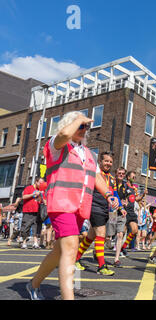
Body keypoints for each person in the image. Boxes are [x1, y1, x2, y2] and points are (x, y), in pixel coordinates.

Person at [27, 111, 118, 300]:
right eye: (81, 126)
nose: (84, 129)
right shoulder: (57, 144)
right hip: (60, 204)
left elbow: (96, 177)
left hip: (79, 207)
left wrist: (109, 194)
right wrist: (78, 119)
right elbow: (62, 135)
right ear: (71, 124)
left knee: (60, 250)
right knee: (71, 247)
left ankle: (33, 284)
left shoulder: (89, 154)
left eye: (85, 126)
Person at [75, 151, 123, 276]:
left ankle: (75, 259)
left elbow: (115, 194)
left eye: (111, 162)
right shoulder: (95, 174)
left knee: (90, 236)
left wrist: (120, 207)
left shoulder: (112, 178)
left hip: (105, 209)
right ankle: (101, 266)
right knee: (101, 234)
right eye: (106, 161)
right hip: (94, 206)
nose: (108, 163)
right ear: (100, 162)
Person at [119, 171, 147, 256]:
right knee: (122, 232)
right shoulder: (124, 186)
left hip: (132, 212)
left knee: (134, 231)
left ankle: (123, 247)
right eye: (133, 177)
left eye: (135, 177)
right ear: (128, 177)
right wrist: (122, 202)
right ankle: (119, 248)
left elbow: (136, 199)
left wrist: (143, 195)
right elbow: (120, 196)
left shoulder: (134, 188)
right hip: (125, 211)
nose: (134, 178)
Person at [108, 167, 129, 268]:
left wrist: (126, 202)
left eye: (123, 173)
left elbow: (127, 198)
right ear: (116, 174)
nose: (121, 175)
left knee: (120, 234)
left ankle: (116, 259)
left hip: (122, 213)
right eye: (119, 173)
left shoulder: (126, 185)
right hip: (113, 212)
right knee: (108, 236)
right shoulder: (111, 183)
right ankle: (97, 250)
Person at [20, 178, 46, 249]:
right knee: (26, 227)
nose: (41, 185)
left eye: (42, 184)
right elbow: (24, 197)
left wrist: (42, 197)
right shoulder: (29, 188)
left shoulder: (41, 190)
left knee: (37, 227)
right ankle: (24, 242)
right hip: (28, 211)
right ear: (36, 182)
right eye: (40, 183)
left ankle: (35, 243)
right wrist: (33, 194)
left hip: (37, 211)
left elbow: (44, 202)